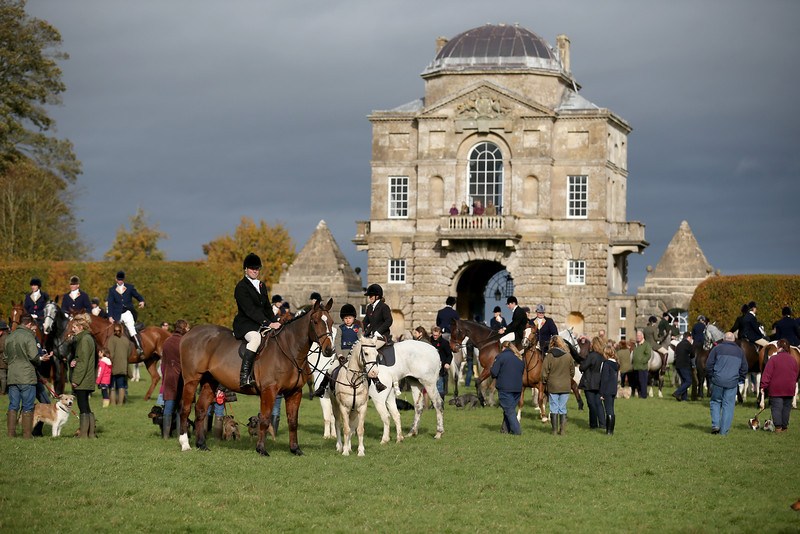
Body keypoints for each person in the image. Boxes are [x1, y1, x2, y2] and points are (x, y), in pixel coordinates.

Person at [233, 253, 281, 389]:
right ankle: (244, 376)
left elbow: (267, 308)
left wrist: (276, 322)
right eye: (252, 268)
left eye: (257, 268)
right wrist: (268, 323)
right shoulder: (241, 287)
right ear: (246, 269)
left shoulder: (261, 285)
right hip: (246, 324)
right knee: (255, 339)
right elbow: (250, 311)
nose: (255, 271)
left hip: (260, 323)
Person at [5, 315, 51, 438]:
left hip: (12, 376)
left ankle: (11, 433)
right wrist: (41, 359)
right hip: (26, 376)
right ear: (29, 324)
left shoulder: (10, 336)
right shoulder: (29, 337)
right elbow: (34, 358)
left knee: (13, 405)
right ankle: (27, 434)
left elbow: (5, 357)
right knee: (28, 405)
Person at [705, 332, 747, 435]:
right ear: (733, 339)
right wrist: (739, 379)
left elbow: (708, 365)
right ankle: (723, 432)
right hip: (732, 382)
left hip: (717, 381)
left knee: (715, 402)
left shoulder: (716, 348)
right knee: (728, 406)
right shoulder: (740, 351)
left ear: (724, 339)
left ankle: (716, 425)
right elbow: (744, 368)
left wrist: (712, 376)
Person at [760, 339, 800, 433]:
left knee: (776, 408)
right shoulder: (793, 360)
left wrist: (763, 386)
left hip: (776, 388)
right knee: (786, 408)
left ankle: (778, 427)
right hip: (789, 388)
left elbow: (767, 374)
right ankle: (785, 427)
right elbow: (795, 374)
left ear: (779, 348)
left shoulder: (773, 359)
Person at [69, 313, 97, 438]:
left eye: (74, 326)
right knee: (85, 405)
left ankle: (84, 434)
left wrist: (76, 380)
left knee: (82, 405)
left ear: (81, 327)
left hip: (83, 378)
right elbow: (82, 358)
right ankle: (90, 433)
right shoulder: (86, 338)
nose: (72, 329)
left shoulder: (85, 340)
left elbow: (84, 362)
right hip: (86, 377)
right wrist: (75, 359)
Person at [107, 271, 146, 356]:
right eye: (118, 280)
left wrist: (141, 301)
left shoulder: (130, 287)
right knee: (113, 330)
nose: (120, 281)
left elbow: (137, 295)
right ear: (116, 279)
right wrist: (110, 316)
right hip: (117, 314)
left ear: (123, 279)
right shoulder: (112, 290)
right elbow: (110, 303)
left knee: (131, 328)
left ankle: (139, 347)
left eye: (121, 280)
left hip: (127, 312)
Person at [161, 319, 189, 439]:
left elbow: (163, 363)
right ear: (183, 328)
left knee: (168, 407)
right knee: (180, 408)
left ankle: (166, 436)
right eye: (187, 328)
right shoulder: (185, 342)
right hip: (182, 377)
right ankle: (180, 434)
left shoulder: (167, 341)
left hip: (168, 377)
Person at [542, 336, 574, 435]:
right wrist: (568, 378)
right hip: (565, 385)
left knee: (554, 407)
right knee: (563, 407)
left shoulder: (549, 356)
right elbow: (572, 371)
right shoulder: (568, 356)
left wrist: (545, 381)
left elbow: (544, 373)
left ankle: (554, 430)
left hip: (553, 385)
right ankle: (563, 431)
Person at [490, 340, 524, 435]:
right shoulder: (519, 358)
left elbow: (494, 372)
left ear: (503, 348)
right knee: (510, 409)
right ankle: (505, 429)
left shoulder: (500, 357)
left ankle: (517, 431)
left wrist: (492, 368)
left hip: (505, 388)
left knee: (509, 411)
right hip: (517, 388)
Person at [579, 336, 606, 430]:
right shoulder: (603, 356)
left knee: (591, 404)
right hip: (599, 382)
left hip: (589, 382)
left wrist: (581, 366)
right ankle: (603, 423)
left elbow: (583, 367)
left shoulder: (591, 356)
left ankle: (593, 424)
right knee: (599, 403)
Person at [599, 341, 619, 435]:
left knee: (608, 410)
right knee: (611, 409)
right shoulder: (616, 364)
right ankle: (611, 430)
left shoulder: (606, 364)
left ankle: (609, 431)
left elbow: (604, 379)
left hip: (606, 390)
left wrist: (601, 393)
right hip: (613, 389)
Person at [108, 323, 130, 405]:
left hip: (113, 366)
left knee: (112, 386)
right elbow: (129, 353)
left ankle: (113, 403)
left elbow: (111, 354)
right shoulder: (126, 340)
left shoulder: (111, 339)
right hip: (123, 366)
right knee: (121, 385)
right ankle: (120, 404)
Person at [430, 326, 452, 397]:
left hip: (441, 368)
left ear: (440, 334)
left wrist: (447, 363)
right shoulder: (429, 341)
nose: (435, 337)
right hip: (430, 367)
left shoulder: (444, 343)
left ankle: (440, 403)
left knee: (439, 387)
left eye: (436, 335)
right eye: (433, 335)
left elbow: (449, 355)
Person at [672, 332, 693, 401]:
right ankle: (677, 393)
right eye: (691, 338)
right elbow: (693, 354)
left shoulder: (679, 344)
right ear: (688, 337)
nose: (691, 340)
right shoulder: (688, 344)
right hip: (685, 365)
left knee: (684, 381)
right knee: (688, 381)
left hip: (677, 365)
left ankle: (684, 398)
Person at [631, 330, 651, 399]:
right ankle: (639, 394)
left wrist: (643, 361)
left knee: (643, 382)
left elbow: (648, 354)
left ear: (642, 336)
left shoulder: (646, 344)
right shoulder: (636, 345)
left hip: (642, 367)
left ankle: (643, 396)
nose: (638, 337)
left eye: (639, 336)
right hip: (635, 367)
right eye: (637, 336)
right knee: (638, 382)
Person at [0, 320, 9, 395]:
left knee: (3, 376)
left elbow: (2, 348)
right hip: (5, 359)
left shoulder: (4, 338)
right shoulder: (7, 336)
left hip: (2, 360)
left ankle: (3, 391)